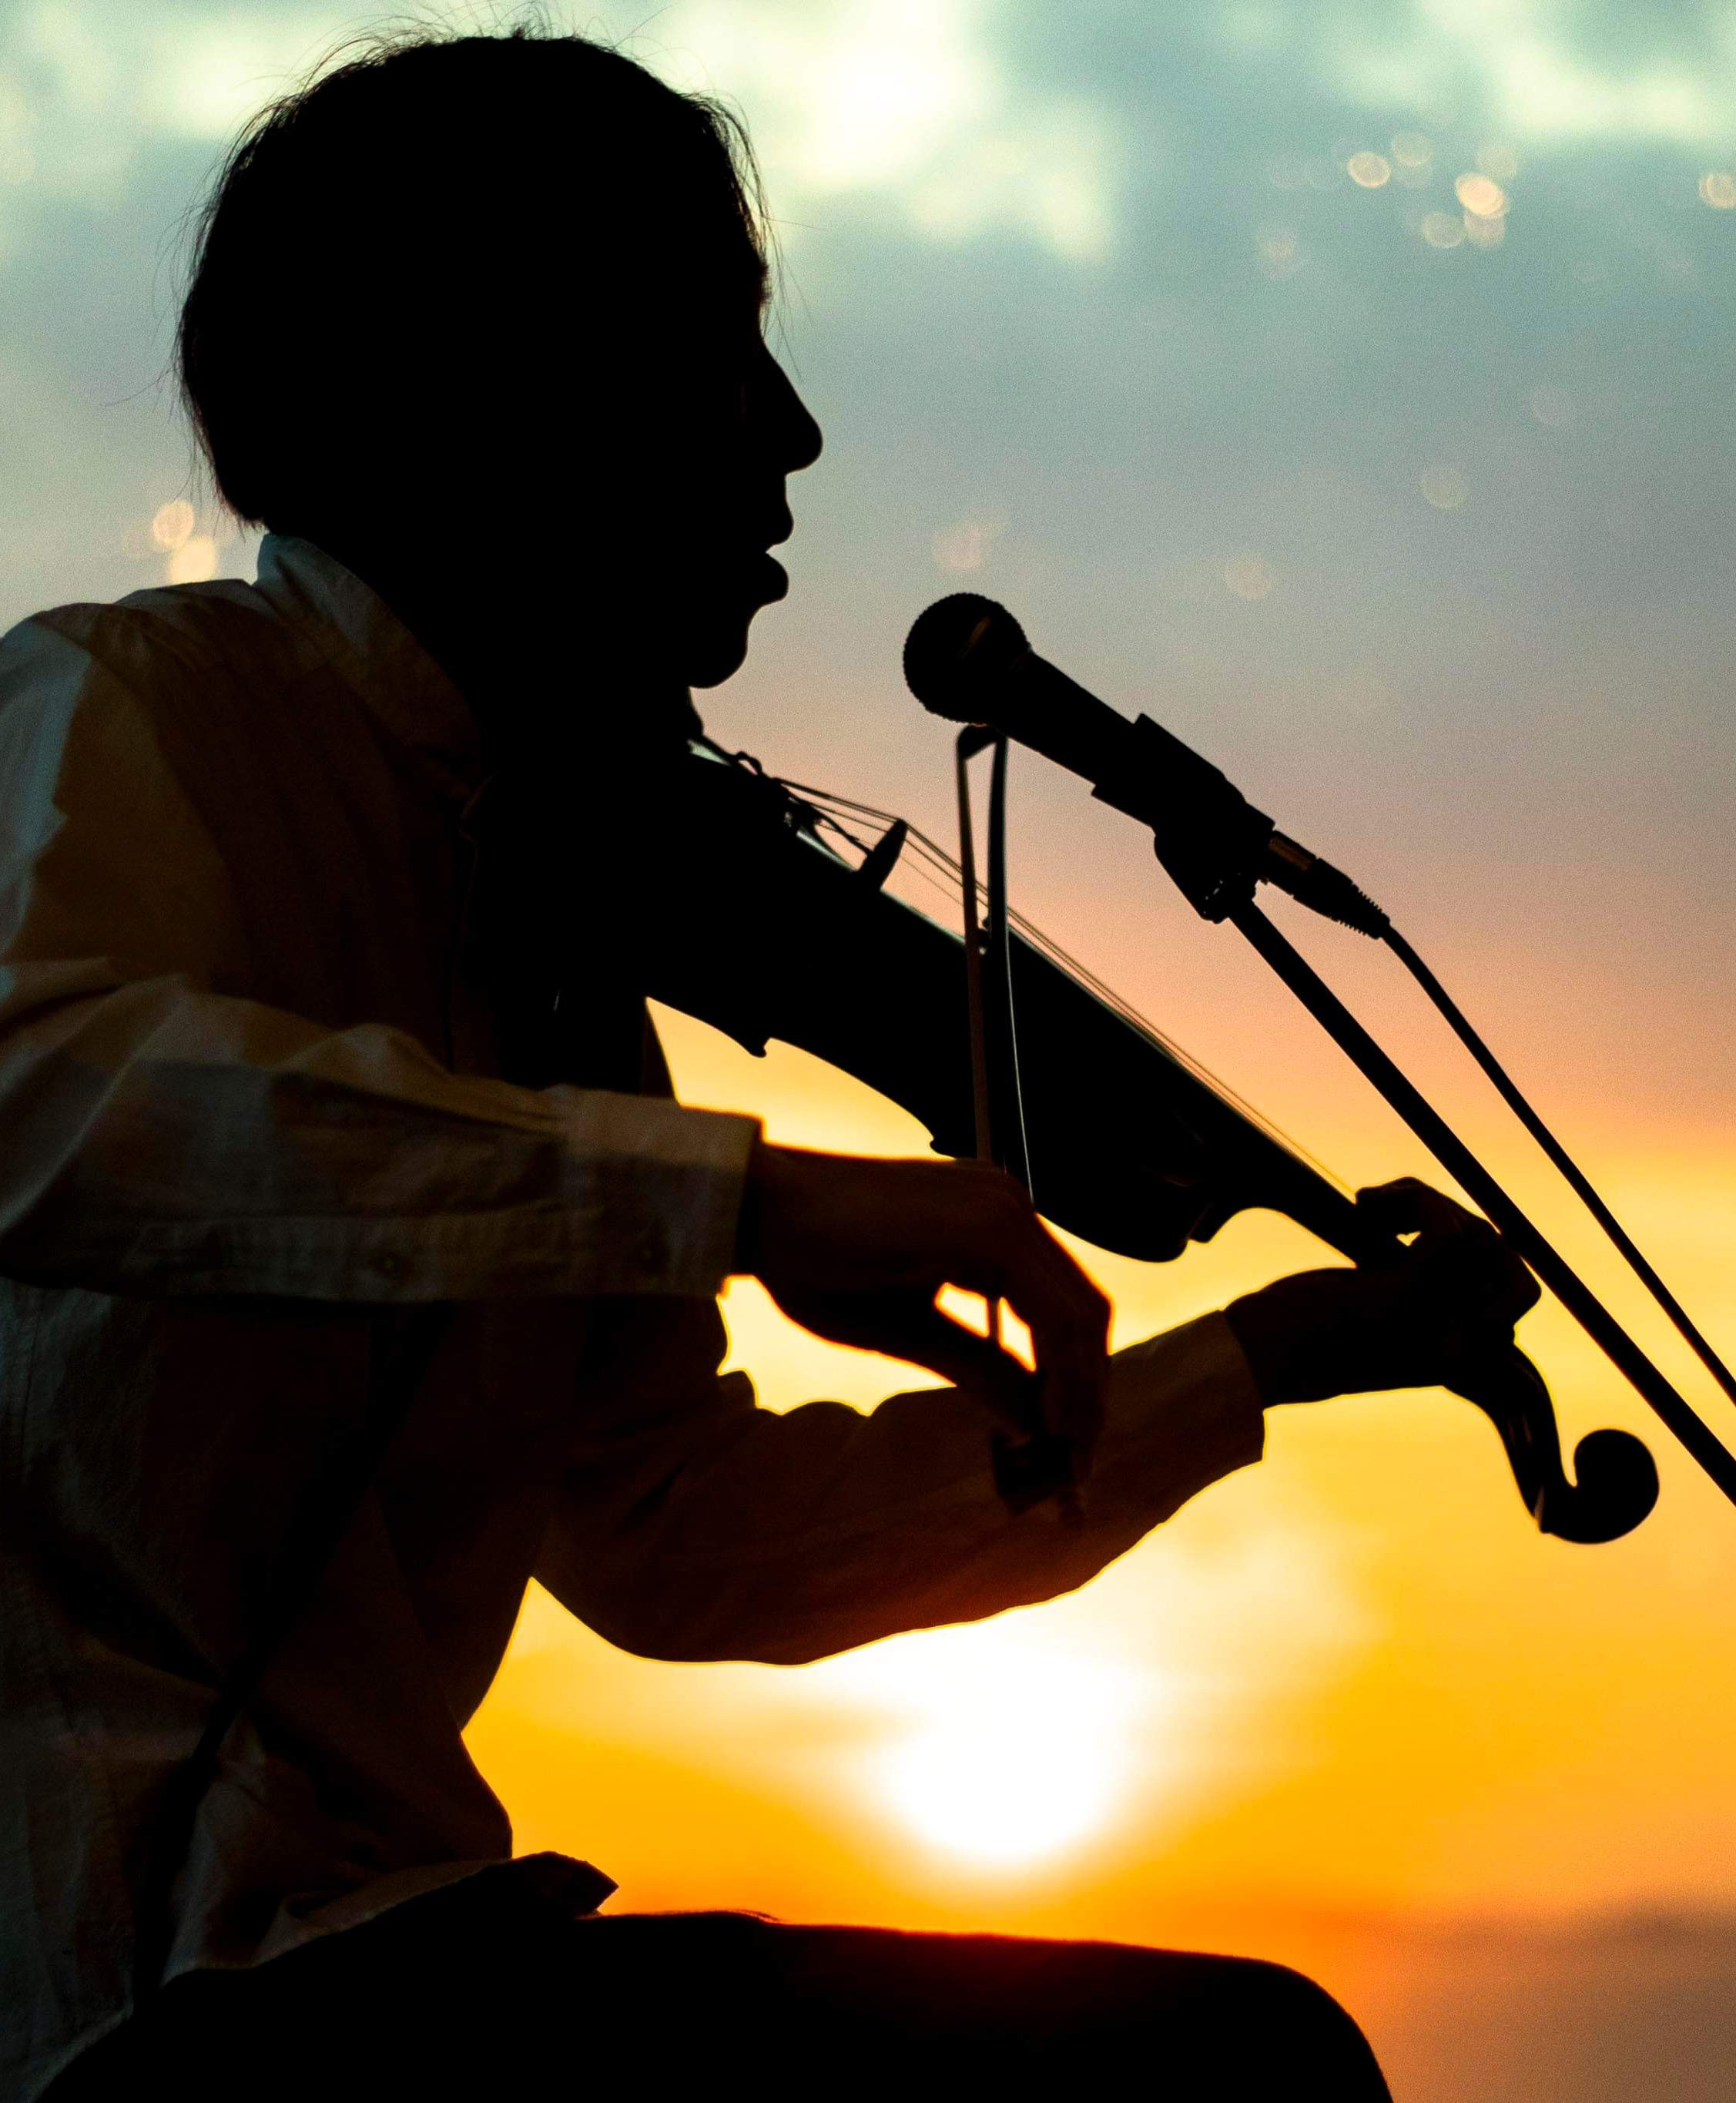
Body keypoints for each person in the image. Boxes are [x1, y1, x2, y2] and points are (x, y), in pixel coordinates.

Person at [0, 26, 1537, 2100]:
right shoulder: (127, 713)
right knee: (1232, 2071)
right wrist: (737, 1190)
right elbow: (50, 1094)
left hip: (383, 1955)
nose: (797, 436)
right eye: (727, 348)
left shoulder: (545, 951)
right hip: (103, 2005)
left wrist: (1255, 1361)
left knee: (1236, 2058)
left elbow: (682, 1535)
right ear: (516, 380)